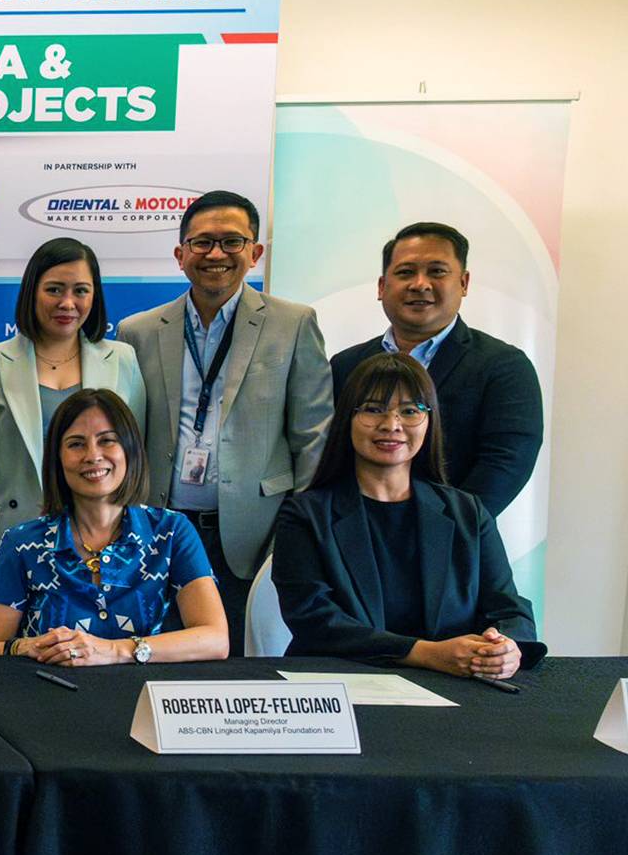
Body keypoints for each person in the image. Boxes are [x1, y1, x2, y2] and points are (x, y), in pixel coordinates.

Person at [116, 190, 332, 655]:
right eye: (202, 242)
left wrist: (294, 535)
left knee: (240, 662)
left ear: (255, 252)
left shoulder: (293, 324)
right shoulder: (138, 331)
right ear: (181, 255)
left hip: (255, 537)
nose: (216, 254)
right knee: (155, 655)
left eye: (232, 241)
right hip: (159, 531)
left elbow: (314, 439)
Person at [272, 353, 544, 676]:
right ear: (347, 418)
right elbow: (314, 621)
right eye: (373, 409)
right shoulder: (304, 515)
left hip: (452, 686)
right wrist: (426, 654)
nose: (392, 425)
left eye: (410, 411)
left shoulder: (467, 512)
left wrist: (504, 647)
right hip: (345, 683)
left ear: (430, 420)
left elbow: (509, 608)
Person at [0, 388, 228, 664]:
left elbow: (215, 639)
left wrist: (114, 650)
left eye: (107, 441)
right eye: (76, 444)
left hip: (141, 688)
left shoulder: (171, 531)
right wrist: (24, 646)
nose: (93, 455)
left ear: (130, 450)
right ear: (57, 459)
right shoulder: (22, 543)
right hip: (47, 686)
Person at [0, 237, 145, 607]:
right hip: (4, 537)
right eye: (54, 289)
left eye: (81, 290)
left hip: (95, 544)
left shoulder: (122, 359)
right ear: (32, 292)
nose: (67, 303)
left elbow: (130, 454)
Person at [329, 222, 543, 517]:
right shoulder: (345, 365)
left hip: (456, 535)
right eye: (405, 272)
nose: (420, 284)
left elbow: (507, 462)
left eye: (437, 271)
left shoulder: (504, 366)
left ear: (464, 283)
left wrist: (443, 528)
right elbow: (332, 454)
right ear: (381, 286)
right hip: (356, 531)